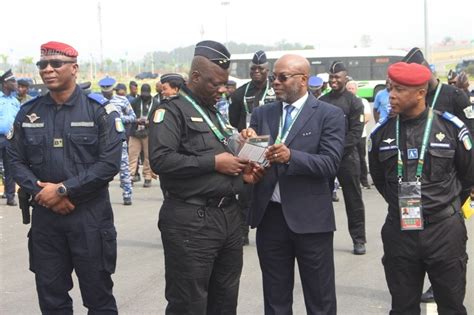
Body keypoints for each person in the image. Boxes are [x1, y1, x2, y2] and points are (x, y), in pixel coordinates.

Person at [7, 41, 123, 314]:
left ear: (74, 68)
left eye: (56, 63)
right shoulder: (28, 112)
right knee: (52, 299)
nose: (48, 69)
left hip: (90, 219)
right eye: (42, 65)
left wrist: (63, 190)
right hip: (46, 219)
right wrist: (43, 194)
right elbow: (15, 159)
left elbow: (108, 164)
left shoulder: (100, 111)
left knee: (99, 299)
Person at [148, 40, 262, 314]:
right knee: (189, 303)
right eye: (215, 84)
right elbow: (161, 160)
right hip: (190, 220)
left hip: (228, 218)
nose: (222, 90)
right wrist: (212, 162)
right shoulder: (170, 111)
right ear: (195, 77)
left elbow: (226, 155)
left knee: (225, 300)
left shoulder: (214, 113)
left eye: (225, 84)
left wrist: (245, 148)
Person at [240, 54, 345, 314]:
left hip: (311, 221)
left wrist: (291, 157)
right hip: (271, 219)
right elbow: (253, 162)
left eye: (282, 77)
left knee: (320, 299)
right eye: (274, 76)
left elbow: (330, 163)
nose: (275, 82)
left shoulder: (328, 115)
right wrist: (246, 145)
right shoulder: (262, 113)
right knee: (275, 300)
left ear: (303, 79)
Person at [368, 61, 473, 314]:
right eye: (390, 88)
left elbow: (468, 177)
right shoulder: (381, 134)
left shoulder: (450, 129)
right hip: (400, 231)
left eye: (399, 90)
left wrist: (442, 210)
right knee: (403, 307)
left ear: (420, 93)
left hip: (444, 232)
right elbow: (381, 181)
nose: (391, 95)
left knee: (451, 305)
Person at [403, 47, 474, 303]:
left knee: (447, 241)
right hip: (412, 182)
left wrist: (458, 192)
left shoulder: (454, 96)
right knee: (411, 244)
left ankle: (438, 284)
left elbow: (470, 141)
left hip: (447, 183)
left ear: (425, 69)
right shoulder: (410, 98)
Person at [320, 61, 367, 255]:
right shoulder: (322, 101)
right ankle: (320, 238)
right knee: (320, 199)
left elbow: (356, 133)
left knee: (353, 200)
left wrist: (336, 149)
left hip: (347, 158)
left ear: (345, 78)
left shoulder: (354, 102)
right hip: (326, 158)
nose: (333, 81)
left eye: (337, 77)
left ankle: (359, 240)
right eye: (331, 77)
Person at [99, 76, 136, 205]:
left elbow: (133, 117)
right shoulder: (96, 101)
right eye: (103, 89)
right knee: (101, 168)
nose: (106, 92)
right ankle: (101, 196)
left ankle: (127, 194)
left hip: (119, 139)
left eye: (108, 89)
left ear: (113, 89)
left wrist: (118, 118)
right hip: (102, 140)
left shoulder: (122, 101)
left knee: (124, 167)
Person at [229, 50, 276, 131]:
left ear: (267, 70)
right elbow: (234, 121)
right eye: (253, 68)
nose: (256, 71)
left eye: (261, 68)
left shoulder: (276, 88)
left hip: (273, 138)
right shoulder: (240, 93)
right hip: (248, 138)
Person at [129, 83, 157, 188]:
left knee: (148, 156)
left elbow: (157, 118)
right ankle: (130, 176)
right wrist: (137, 120)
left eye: (146, 93)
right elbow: (129, 115)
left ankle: (148, 177)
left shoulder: (155, 103)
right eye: (143, 93)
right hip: (135, 132)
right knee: (132, 155)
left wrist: (149, 122)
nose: (144, 95)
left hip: (148, 133)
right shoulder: (135, 102)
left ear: (150, 93)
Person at [346, 80, 372, 189]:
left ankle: (364, 181)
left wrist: (355, 125)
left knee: (361, 158)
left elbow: (366, 117)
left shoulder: (363, 101)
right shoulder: (344, 101)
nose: (351, 90)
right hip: (347, 136)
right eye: (349, 89)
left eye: (352, 88)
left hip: (360, 135)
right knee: (348, 159)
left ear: (356, 90)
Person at [0, 69, 20, 206]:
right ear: (5, 83)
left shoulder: (15, 101)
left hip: (10, 138)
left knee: (10, 167)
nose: (16, 84)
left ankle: (10, 196)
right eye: (13, 81)